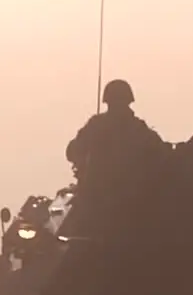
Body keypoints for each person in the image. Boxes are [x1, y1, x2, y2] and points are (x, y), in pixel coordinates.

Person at [63, 79, 169, 239]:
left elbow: (72, 151)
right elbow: (162, 157)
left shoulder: (96, 125)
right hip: (134, 209)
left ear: (107, 101)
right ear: (129, 101)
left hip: (96, 206)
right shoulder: (140, 130)